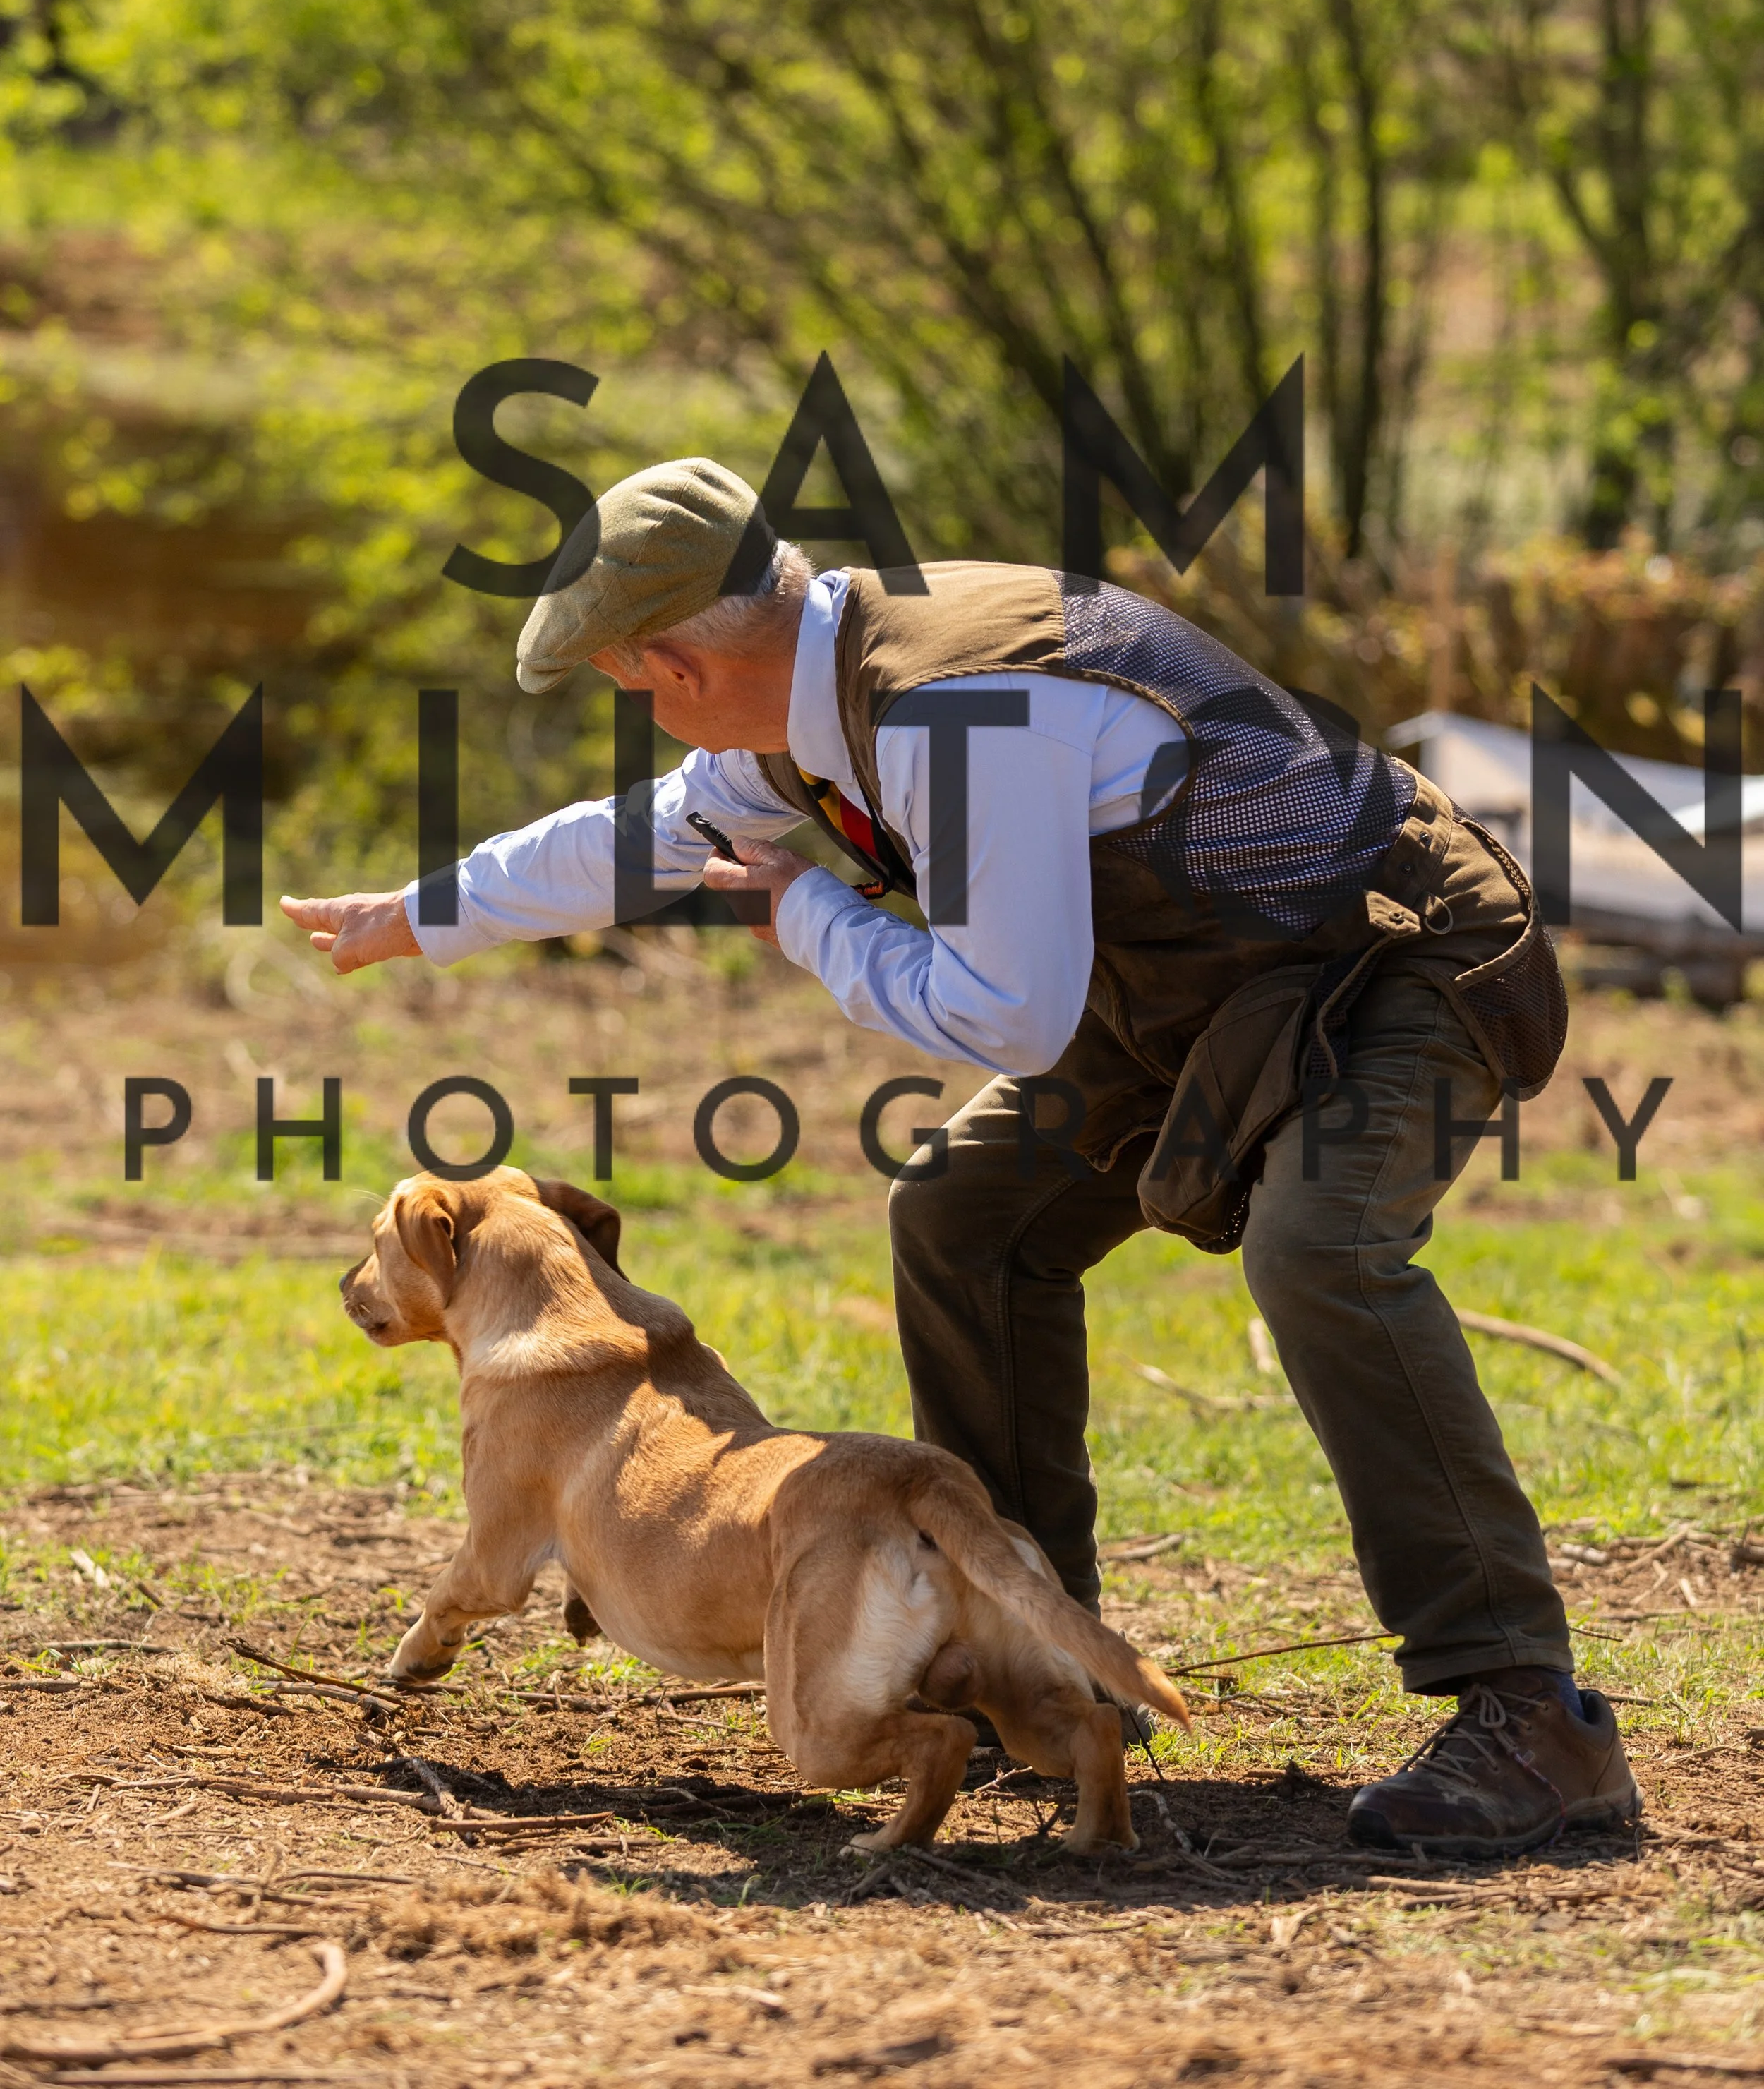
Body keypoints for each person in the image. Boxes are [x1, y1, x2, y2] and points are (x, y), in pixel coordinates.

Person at [283, 456, 1639, 1856]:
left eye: (630, 681)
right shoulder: (811, 693)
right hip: (1204, 992)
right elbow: (644, 839)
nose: (643, 708)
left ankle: (1529, 1712)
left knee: (1321, 1248)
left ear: (675, 664)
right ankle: (1029, 1662)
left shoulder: (954, 713)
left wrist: (811, 918)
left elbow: (1007, 1014)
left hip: (1395, 959)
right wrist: (417, 913)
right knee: (961, 1215)